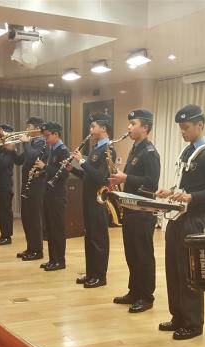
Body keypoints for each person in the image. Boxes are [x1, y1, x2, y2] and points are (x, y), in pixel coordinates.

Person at [156, 104, 205, 340]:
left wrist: (191, 197)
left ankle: (193, 322)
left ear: (200, 125)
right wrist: (171, 192)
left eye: (186, 128)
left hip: (194, 220)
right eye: (181, 128)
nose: (183, 132)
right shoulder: (187, 153)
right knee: (173, 269)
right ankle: (178, 316)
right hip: (177, 217)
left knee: (190, 272)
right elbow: (186, 185)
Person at [110, 109, 161, 313]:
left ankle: (146, 296)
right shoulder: (135, 148)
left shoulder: (150, 152)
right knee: (132, 253)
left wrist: (126, 179)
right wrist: (119, 180)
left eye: (133, 123)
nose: (129, 127)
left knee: (143, 255)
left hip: (143, 211)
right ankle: (134, 291)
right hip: (131, 209)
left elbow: (151, 183)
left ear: (145, 128)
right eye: (129, 123)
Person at [70, 113, 115, 288]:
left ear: (103, 128)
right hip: (89, 199)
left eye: (93, 127)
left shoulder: (108, 149)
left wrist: (82, 160)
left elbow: (100, 177)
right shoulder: (96, 148)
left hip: (99, 200)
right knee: (89, 238)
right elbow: (87, 176)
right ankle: (91, 273)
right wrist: (72, 169)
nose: (90, 130)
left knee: (99, 239)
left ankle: (100, 276)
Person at [34, 122, 70, 271]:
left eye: (47, 135)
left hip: (57, 196)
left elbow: (63, 174)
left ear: (56, 135)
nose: (45, 138)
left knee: (57, 229)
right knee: (49, 228)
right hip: (49, 194)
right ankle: (52, 259)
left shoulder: (63, 151)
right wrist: (40, 172)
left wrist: (44, 167)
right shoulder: (52, 149)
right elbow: (52, 171)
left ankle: (59, 261)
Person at [15, 116, 47, 261]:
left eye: (28, 127)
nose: (26, 129)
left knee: (34, 218)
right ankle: (31, 247)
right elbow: (20, 160)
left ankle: (37, 250)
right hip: (27, 184)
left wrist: (26, 144)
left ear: (36, 128)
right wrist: (8, 149)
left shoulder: (41, 141)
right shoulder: (32, 142)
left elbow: (32, 157)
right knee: (26, 217)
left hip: (36, 185)